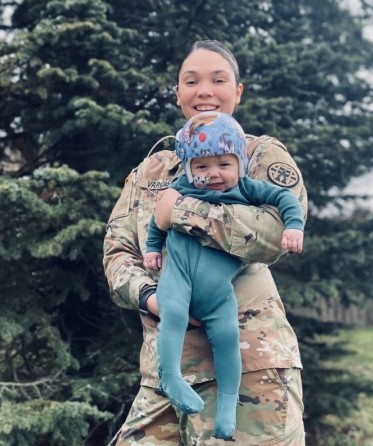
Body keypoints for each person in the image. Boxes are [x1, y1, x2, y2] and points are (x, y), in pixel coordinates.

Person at [103, 39, 308, 445]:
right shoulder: (153, 169)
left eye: (219, 79)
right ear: (178, 92)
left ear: (237, 91)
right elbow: (117, 250)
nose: (205, 90)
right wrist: (150, 297)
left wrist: (180, 213)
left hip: (251, 369)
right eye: (191, 80)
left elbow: (272, 234)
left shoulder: (260, 156)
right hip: (165, 373)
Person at [142, 111, 304, 439]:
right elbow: (157, 221)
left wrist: (294, 226)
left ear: (239, 163)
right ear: (189, 168)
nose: (213, 174)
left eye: (224, 164)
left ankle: (228, 406)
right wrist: (152, 249)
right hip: (180, 277)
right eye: (202, 167)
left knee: (228, 336)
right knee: (171, 316)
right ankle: (170, 375)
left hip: (218, 291)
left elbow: (284, 198)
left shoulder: (247, 188)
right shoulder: (181, 187)